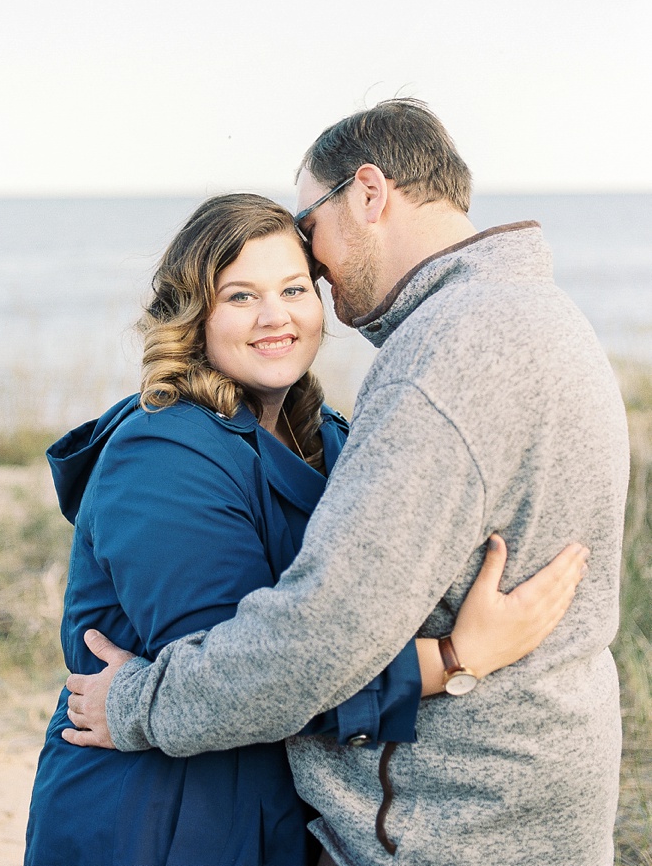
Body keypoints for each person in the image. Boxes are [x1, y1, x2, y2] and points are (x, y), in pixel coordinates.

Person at [65, 101, 629, 865]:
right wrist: (454, 657)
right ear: (195, 312)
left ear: (367, 192)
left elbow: (304, 651)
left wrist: (461, 659)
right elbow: (270, 657)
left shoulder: (426, 368)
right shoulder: (535, 316)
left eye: (298, 277)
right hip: (171, 822)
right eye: (240, 293)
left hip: (452, 827)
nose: (312, 278)